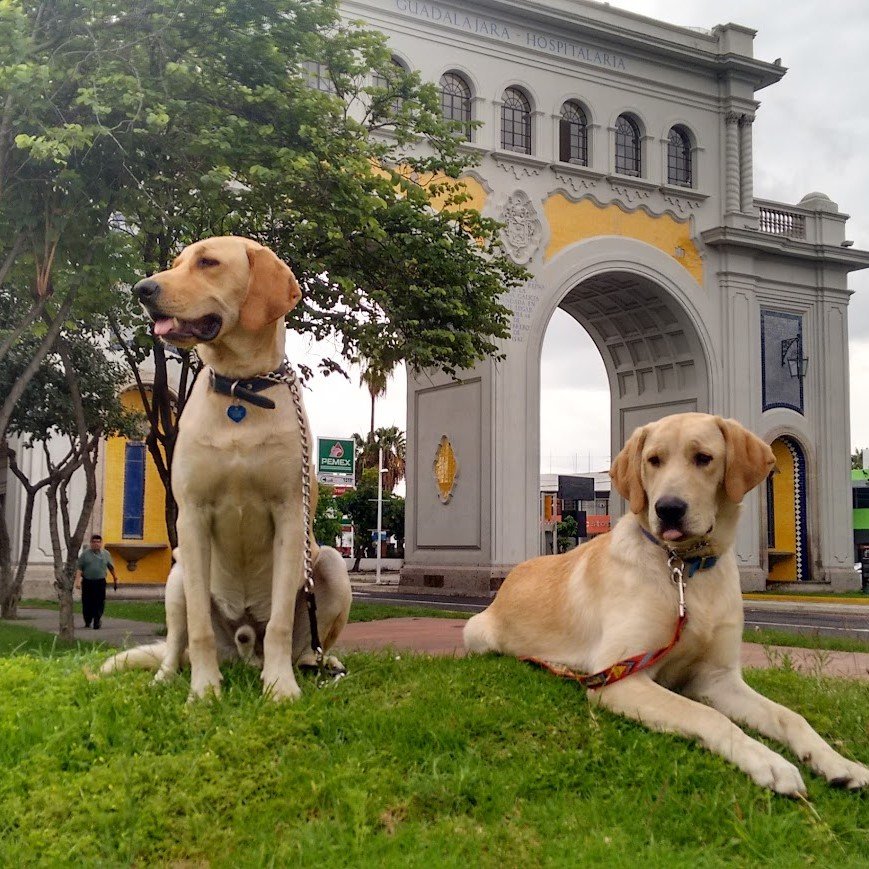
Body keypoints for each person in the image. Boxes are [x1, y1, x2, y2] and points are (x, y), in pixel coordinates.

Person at [74, 534, 118, 629]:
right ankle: (87, 621)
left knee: (99, 602)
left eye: (98, 542)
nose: (96, 544)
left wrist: (115, 578)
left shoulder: (106, 554)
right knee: (87, 602)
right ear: (90, 543)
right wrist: (77, 582)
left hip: (100, 582)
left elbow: (110, 567)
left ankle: (97, 620)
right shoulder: (85, 554)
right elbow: (79, 568)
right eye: (94, 542)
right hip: (87, 582)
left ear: (101, 543)